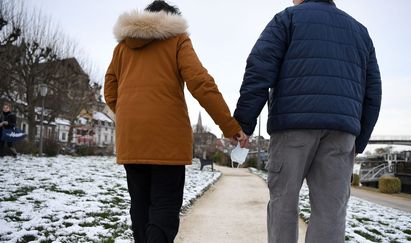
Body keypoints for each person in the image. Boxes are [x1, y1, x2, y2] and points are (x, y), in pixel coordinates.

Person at [234, 0, 382, 242]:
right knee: (331, 212)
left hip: (292, 126)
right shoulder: (359, 31)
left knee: (284, 203)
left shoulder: (287, 19)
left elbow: (259, 69)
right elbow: (373, 92)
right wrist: (359, 140)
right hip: (341, 132)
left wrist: (244, 123)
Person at [104, 1, 247, 242]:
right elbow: (201, 84)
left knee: (139, 207)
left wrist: (131, 115)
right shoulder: (178, 40)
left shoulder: (122, 48)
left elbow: (110, 91)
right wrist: (230, 127)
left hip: (131, 141)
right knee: (164, 209)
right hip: (167, 142)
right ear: (171, 21)